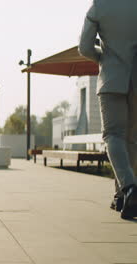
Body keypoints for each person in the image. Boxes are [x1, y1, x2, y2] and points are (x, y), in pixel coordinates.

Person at [79, 0, 137, 219]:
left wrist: (103, 59)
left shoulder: (99, 6)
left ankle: (130, 187)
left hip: (112, 79)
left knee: (113, 136)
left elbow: (84, 47)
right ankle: (122, 197)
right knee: (131, 140)